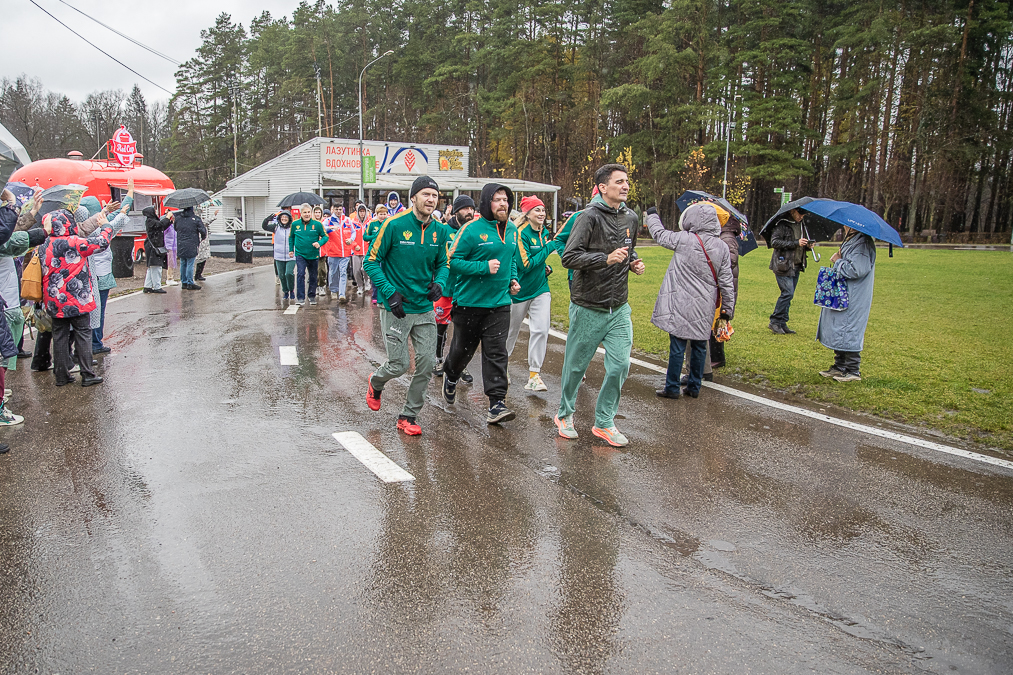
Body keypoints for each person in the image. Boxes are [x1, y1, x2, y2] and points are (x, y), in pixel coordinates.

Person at [554, 164, 645, 447]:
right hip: (588, 305)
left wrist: (633, 261)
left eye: (627, 181)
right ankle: (564, 414)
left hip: (618, 307)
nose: (626, 186)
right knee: (575, 367)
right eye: (619, 182)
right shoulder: (588, 217)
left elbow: (627, 247)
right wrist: (604, 259)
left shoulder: (631, 216)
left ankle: (604, 421)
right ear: (603, 187)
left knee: (620, 365)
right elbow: (569, 257)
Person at [362, 176, 449, 436]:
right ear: (413, 198)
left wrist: (440, 283)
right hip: (396, 308)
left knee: (425, 365)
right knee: (399, 364)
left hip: (423, 308)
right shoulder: (393, 225)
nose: (431, 199)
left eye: (434, 195)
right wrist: (390, 293)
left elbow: (443, 263)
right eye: (425, 194)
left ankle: (408, 416)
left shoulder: (440, 230)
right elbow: (370, 261)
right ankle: (375, 382)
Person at [441, 183, 521, 425]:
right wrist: (482, 268)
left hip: (499, 304)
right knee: (462, 351)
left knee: (496, 352)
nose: (503, 204)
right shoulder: (471, 230)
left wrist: (513, 278)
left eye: (506, 199)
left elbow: (511, 258)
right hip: (469, 304)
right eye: (497, 200)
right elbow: (452, 261)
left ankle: (496, 403)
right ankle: (451, 375)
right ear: (487, 203)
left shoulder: (513, 231)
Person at [646, 203, 735, 399]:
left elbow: (660, 235)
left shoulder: (683, 239)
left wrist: (652, 215)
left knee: (677, 346)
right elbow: (727, 281)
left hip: (680, 301)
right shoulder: (721, 247)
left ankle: (672, 387)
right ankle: (694, 386)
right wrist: (727, 309)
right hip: (705, 304)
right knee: (700, 346)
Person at [39, 208, 125, 387]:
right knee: (83, 333)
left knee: (60, 336)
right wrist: (106, 226)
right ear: (68, 223)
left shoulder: (44, 245)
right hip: (78, 297)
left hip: (54, 300)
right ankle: (87, 373)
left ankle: (61, 375)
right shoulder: (75, 242)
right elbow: (102, 243)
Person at [506, 195, 555, 392]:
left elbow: (537, 262)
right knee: (511, 332)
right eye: (537, 210)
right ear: (527, 214)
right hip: (518, 291)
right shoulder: (520, 233)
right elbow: (524, 265)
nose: (542, 213)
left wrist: (546, 267)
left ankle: (534, 374)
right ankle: (503, 366)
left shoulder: (543, 232)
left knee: (541, 329)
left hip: (540, 288)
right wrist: (549, 248)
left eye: (543, 210)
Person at [816, 227, 877, 382]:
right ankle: (840, 365)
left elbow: (856, 270)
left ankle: (852, 370)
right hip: (844, 293)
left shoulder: (862, 243)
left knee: (849, 329)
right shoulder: (852, 240)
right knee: (839, 327)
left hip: (854, 294)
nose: (843, 226)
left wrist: (838, 261)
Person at [432, 195, 476, 384]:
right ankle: (438, 360)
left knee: (462, 331)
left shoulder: (473, 232)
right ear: (456, 211)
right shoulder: (444, 231)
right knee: (441, 328)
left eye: (472, 209)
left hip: (464, 290)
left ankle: (460, 365)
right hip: (445, 289)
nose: (470, 212)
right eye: (466, 209)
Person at [768, 208, 813, 334]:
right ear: (793, 211)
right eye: (800, 214)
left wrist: (807, 246)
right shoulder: (782, 225)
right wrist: (795, 242)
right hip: (783, 264)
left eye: (804, 215)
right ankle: (775, 321)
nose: (801, 217)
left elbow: (799, 245)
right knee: (787, 293)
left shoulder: (802, 226)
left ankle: (782, 322)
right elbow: (775, 242)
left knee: (790, 295)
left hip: (797, 264)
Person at [289, 203, 327, 305]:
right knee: (300, 274)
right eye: (304, 212)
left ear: (311, 213)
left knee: (313, 276)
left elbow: (325, 236)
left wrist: (319, 243)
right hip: (300, 254)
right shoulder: (295, 224)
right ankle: (300, 298)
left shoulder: (318, 224)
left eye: (308, 212)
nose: (307, 214)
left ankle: (312, 296)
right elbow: (291, 237)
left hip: (313, 254)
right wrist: (291, 249)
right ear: (301, 213)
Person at [321, 208, 355, 302]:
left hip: (345, 252)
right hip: (333, 251)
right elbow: (321, 230)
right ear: (333, 210)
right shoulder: (328, 220)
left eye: (340, 209)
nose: (338, 211)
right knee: (333, 273)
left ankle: (342, 294)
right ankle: (333, 290)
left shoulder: (347, 220)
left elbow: (353, 232)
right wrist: (329, 228)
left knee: (343, 272)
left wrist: (351, 239)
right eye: (336, 209)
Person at [173, 206, 208, 290]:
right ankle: (190, 282)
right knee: (190, 263)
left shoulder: (178, 219)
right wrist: (202, 237)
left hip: (181, 243)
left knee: (183, 263)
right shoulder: (195, 219)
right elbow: (203, 231)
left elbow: (176, 228)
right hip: (192, 243)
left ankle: (183, 282)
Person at [263, 210, 295, 302]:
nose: (284, 219)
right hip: (279, 255)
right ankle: (285, 291)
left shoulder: (293, 228)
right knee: (281, 275)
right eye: (282, 217)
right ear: (279, 219)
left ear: (289, 218)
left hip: (291, 255)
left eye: (286, 217)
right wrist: (267, 220)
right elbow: (264, 227)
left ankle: (291, 290)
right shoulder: (275, 227)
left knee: (289, 273)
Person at [364, 204, 388, 305]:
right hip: (374, 253)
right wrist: (375, 237)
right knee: (375, 274)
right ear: (376, 214)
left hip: (386, 253)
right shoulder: (372, 224)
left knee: (385, 274)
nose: (382, 216)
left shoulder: (389, 223)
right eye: (380, 214)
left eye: (384, 214)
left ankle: (384, 295)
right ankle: (375, 295)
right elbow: (365, 237)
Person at [142, 206, 169, 294]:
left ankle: (148, 286)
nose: (156, 212)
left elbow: (161, 227)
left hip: (152, 246)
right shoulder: (151, 221)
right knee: (156, 267)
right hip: (153, 247)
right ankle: (157, 286)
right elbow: (160, 225)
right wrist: (167, 218)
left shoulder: (151, 221)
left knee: (151, 267)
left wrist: (167, 219)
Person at [349, 202, 369, 296]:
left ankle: (366, 281)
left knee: (365, 268)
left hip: (367, 250)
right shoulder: (353, 222)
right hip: (356, 251)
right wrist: (354, 245)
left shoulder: (370, 222)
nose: (362, 213)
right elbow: (349, 236)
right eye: (360, 211)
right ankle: (360, 286)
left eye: (363, 211)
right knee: (356, 270)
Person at [315, 205, 329, 296]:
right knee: (314, 270)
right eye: (315, 212)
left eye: (319, 212)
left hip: (323, 250)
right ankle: (315, 285)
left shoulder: (324, 223)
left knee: (321, 269)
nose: (317, 214)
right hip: (313, 250)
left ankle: (322, 285)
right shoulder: (310, 223)